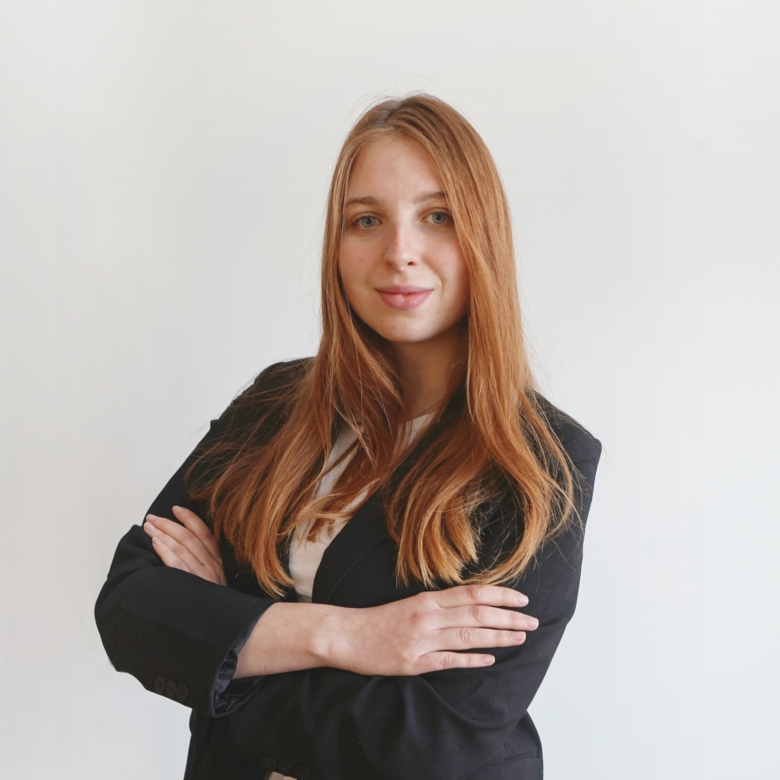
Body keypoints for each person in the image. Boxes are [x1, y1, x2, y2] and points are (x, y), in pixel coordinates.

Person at [95, 94, 601, 780]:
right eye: (366, 220)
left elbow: (428, 744)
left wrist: (230, 643)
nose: (399, 253)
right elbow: (130, 607)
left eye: (438, 217)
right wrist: (351, 637)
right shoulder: (274, 405)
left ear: (483, 237)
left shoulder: (542, 462)